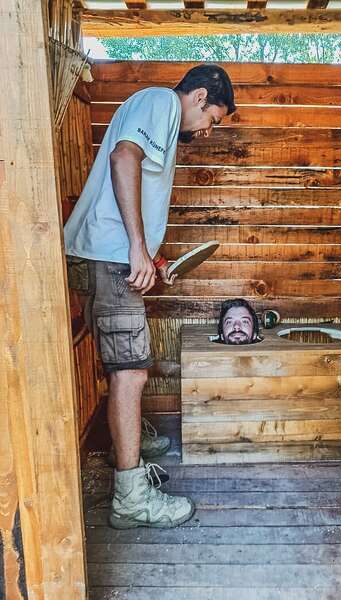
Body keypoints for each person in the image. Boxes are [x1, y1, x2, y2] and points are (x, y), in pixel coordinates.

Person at [64, 64, 236, 529]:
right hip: (112, 257)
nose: (206, 131)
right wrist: (137, 248)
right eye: (212, 120)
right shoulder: (160, 102)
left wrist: (153, 259)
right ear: (199, 97)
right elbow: (124, 159)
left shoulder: (156, 112)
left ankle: (131, 445)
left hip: (110, 256)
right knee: (132, 372)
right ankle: (131, 497)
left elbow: (130, 178)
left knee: (125, 367)